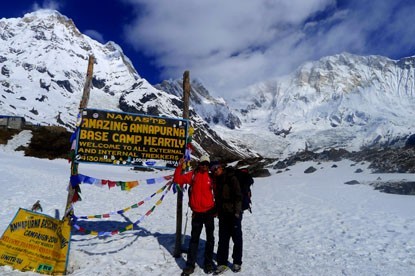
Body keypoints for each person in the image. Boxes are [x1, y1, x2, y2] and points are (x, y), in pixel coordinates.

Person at [174, 155, 216, 275]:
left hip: (209, 212)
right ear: (199, 163)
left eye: (207, 164)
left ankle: (208, 263)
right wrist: (179, 167)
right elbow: (177, 180)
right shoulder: (193, 175)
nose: (205, 166)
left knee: (210, 239)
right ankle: (190, 265)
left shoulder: (211, 177)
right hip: (197, 213)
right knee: (194, 240)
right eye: (203, 164)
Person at [211, 163, 243, 274]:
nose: (215, 171)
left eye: (216, 168)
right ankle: (221, 263)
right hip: (223, 214)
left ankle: (237, 262)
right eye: (213, 170)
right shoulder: (217, 180)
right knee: (223, 240)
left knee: (237, 238)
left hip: (234, 213)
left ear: (221, 167)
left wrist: (237, 212)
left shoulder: (231, 178)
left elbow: (238, 196)